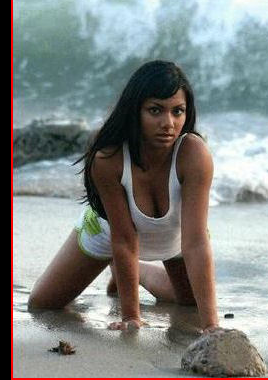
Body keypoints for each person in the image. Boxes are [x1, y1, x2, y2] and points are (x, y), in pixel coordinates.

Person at [28, 60, 220, 333]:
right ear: (135, 110)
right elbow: (124, 239)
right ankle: (120, 265)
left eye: (177, 111)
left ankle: (135, 271)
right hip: (110, 233)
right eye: (155, 110)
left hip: (177, 236)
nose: (168, 123)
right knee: (43, 303)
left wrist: (212, 326)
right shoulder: (109, 158)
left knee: (189, 301)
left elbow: (196, 241)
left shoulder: (194, 154)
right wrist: (131, 316)